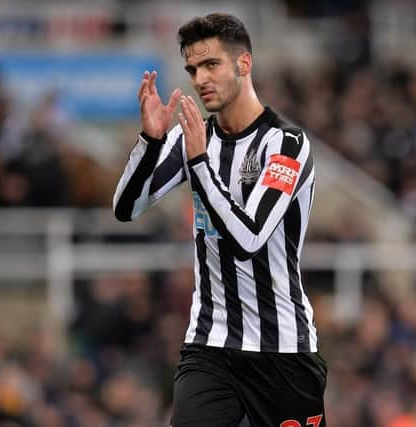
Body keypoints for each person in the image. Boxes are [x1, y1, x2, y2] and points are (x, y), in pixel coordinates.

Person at [113, 13, 326, 427]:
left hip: (281, 346)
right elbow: (126, 207)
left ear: (243, 65)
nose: (200, 78)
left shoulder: (286, 143)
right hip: (209, 343)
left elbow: (249, 240)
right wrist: (151, 140)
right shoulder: (194, 136)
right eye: (193, 69)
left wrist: (200, 164)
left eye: (212, 65)